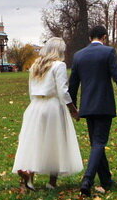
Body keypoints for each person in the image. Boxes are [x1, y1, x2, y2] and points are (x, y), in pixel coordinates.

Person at [68, 25, 117, 197]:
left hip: (87, 106)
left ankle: (106, 180)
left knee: (96, 144)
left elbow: (73, 85)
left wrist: (74, 108)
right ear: (104, 37)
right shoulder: (108, 52)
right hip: (104, 104)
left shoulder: (78, 56)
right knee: (99, 143)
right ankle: (87, 180)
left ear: (89, 38)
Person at [12, 37, 83, 191]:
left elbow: (31, 90)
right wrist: (73, 109)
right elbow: (63, 91)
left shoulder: (35, 65)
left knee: (34, 141)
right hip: (52, 105)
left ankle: (29, 175)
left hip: (35, 106)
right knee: (55, 142)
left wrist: (34, 103)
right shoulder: (59, 66)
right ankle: (52, 182)